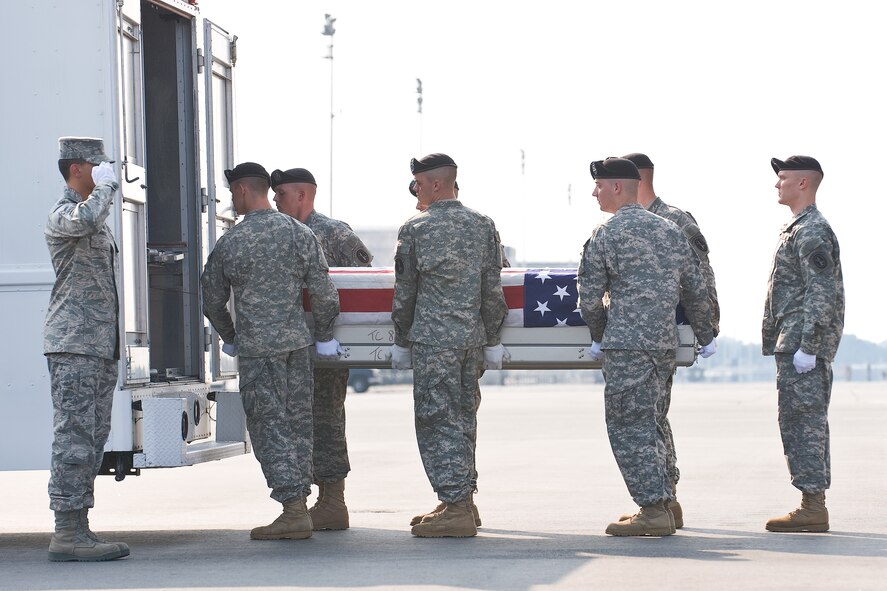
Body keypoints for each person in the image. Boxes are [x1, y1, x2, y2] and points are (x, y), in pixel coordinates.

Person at [200, 162, 341, 540]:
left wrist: (229, 335)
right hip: (297, 346)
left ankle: (293, 509)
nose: (232, 200)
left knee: (268, 426)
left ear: (244, 190)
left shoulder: (232, 241)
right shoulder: (300, 233)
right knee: (298, 425)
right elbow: (326, 294)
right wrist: (324, 335)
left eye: (233, 193)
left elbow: (211, 297)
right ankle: (302, 504)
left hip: (259, 350)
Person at [578, 157, 716, 537]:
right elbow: (696, 288)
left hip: (627, 346)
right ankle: (668, 502)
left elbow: (589, 298)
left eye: (599, 185)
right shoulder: (670, 231)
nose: (594, 192)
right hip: (662, 345)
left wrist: (600, 333)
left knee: (629, 425)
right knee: (654, 420)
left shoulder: (606, 233)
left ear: (617, 187)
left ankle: (653, 509)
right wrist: (707, 333)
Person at [391, 153, 507, 538]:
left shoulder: (416, 229)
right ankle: (461, 501)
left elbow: (406, 293)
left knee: (437, 422)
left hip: (434, 342)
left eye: (420, 184)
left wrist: (401, 336)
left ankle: (455, 507)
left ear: (437, 184)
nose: (417, 191)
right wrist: (490, 336)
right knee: (462, 421)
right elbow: (493, 290)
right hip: (470, 342)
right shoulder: (483, 225)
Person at [620, 152, 720, 529]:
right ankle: (666, 499)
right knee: (653, 417)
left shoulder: (675, 220)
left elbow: (701, 278)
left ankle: (664, 498)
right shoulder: (622, 221)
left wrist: (705, 328)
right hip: (641, 336)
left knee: (651, 416)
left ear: (635, 179)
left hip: (663, 337)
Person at [271, 166, 373, 531]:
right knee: (299, 423)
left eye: (281, 195)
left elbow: (364, 285)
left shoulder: (334, 233)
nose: (275, 201)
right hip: (291, 343)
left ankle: (333, 500)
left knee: (326, 419)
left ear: (303, 195)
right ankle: (313, 499)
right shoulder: (280, 233)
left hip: (327, 348)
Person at [43, 137, 129, 562]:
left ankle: (79, 527)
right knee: (72, 440)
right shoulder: (66, 215)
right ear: (78, 168)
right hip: (74, 345)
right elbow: (84, 221)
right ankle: (65, 532)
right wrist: (109, 189)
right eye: (98, 167)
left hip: (97, 347)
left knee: (91, 441)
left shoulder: (93, 215)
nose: (104, 174)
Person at [762, 155, 844, 533]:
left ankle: (812, 505)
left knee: (804, 422)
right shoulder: (797, 228)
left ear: (803, 184)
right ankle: (812, 502)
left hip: (800, 346)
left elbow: (821, 291)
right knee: (798, 421)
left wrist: (809, 346)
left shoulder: (811, 230)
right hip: (793, 342)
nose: (777, 184)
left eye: (783, 178)